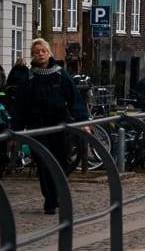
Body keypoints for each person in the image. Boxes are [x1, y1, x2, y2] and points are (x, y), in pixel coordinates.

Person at [8, 38, 87, 213]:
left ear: (49, 53)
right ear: (33, 56)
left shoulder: (60, 74)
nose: (40, 55)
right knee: (43, 162)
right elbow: (20, 107)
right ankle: (50, 200)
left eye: (43, 51)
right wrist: (16, 131)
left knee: (61, 160)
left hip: (58, 123)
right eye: (36, 52)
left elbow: (74, 98)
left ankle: (58, 192)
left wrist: (83, 121)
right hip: (37, 124)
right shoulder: (28, 78)